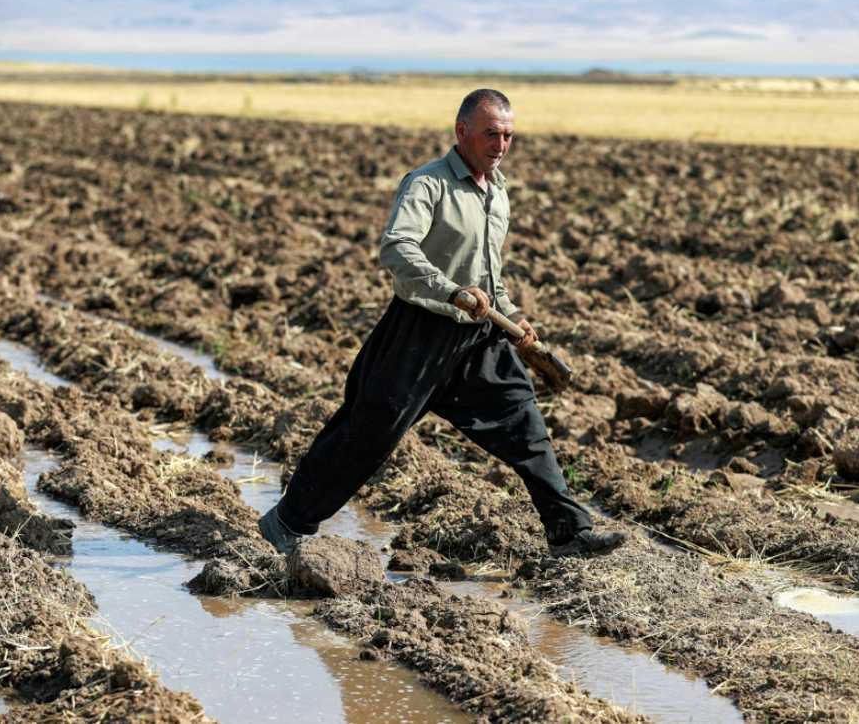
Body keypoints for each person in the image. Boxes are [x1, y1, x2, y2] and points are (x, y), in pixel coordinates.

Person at [259, 89, 626, 558]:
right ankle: (286, 523)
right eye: (491, 133)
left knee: (525, 425)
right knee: (365, 435)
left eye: (509, 136)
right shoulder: (427, 185)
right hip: (417, 332)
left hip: (478, 337)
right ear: (462, 132)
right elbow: (397, 249)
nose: (501, 145)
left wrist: (511, 315)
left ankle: (569, 532)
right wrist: (450, 290)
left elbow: (488, 273)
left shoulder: (498, 193)